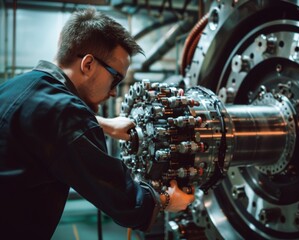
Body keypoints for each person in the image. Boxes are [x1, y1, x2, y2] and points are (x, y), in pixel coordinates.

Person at [0, 7, 195, 239]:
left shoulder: (16, 86)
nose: (114, 93)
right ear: (88, 65)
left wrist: (106, 124)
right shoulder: (67, 115)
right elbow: (126, 203)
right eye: (116, 79)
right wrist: (166, 200)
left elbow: (43, 120)